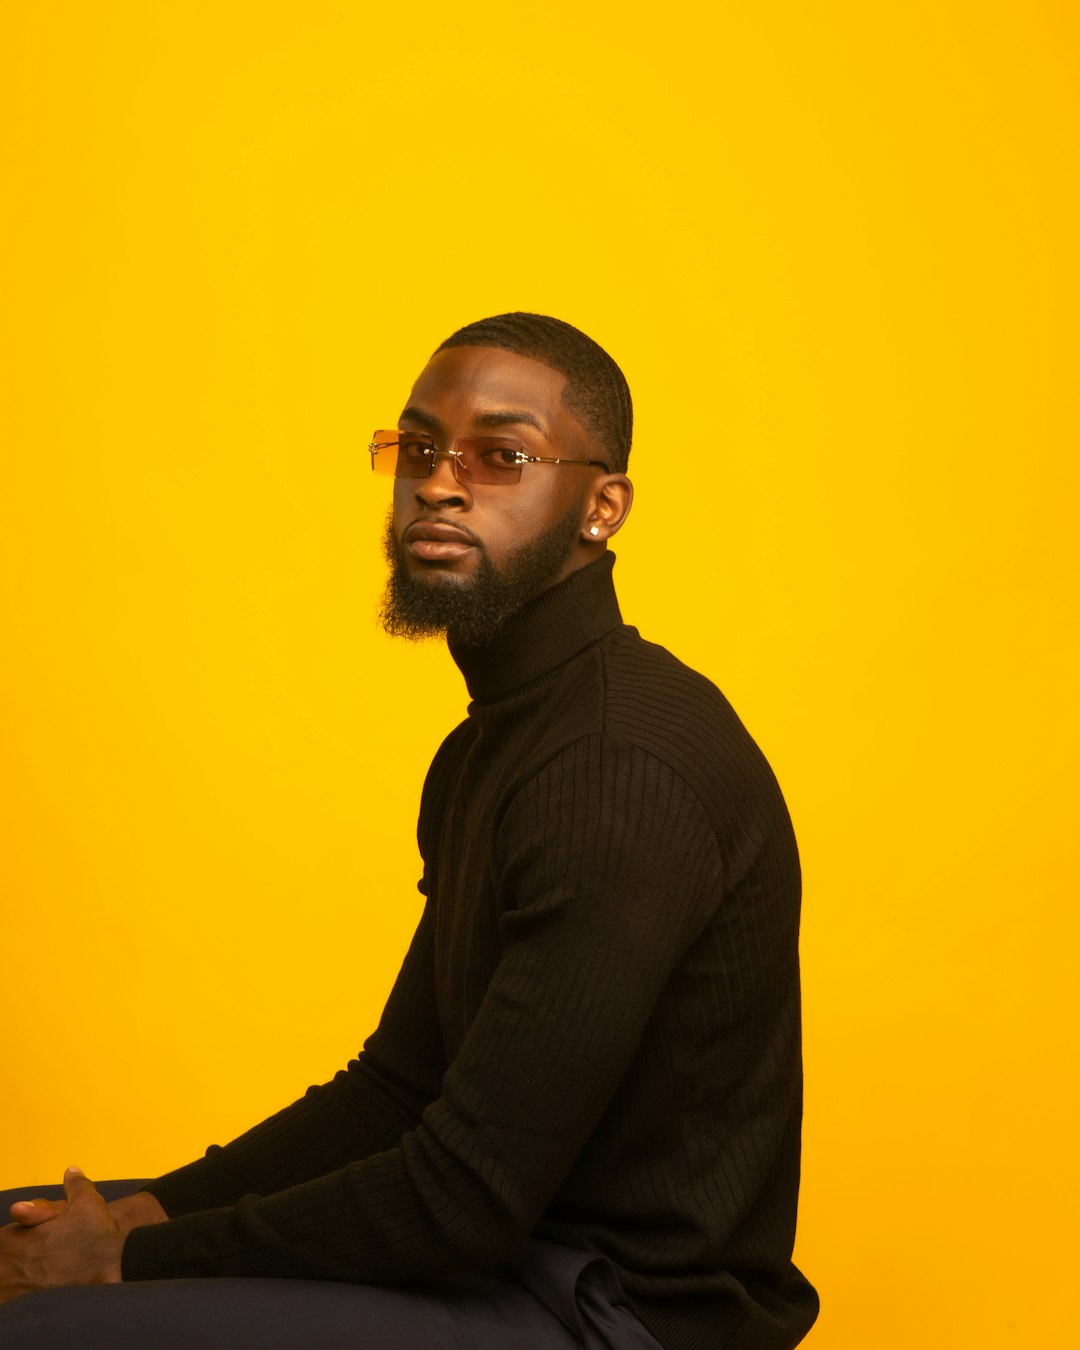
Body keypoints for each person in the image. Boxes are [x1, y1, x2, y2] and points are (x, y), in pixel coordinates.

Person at [0, 314, 819, 1349]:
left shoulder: (616, 770)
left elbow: (465, 1199)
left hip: (611, 1315)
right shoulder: (500, 743)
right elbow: (398, 1086)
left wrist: (123, 1259)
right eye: (418, 448)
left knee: (39, 1327)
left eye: (502, 456)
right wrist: (145, 1212)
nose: (439, 482)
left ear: (601, 508)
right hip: (505, 1259)